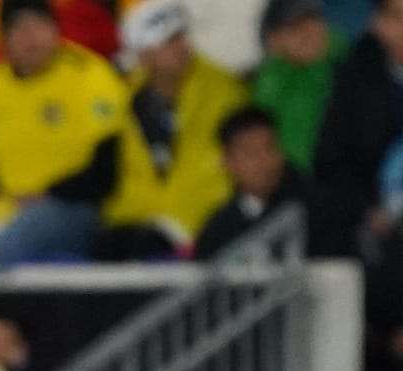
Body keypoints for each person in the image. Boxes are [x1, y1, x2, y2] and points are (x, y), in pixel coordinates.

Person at [0, 0, 129, 266]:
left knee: (7, 245)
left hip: (73, 205)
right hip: (5, 205)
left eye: (39, 25)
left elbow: (105, 170)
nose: (31, 37)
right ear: (3, 39)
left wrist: (49, 194)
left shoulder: (90, 74)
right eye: (19, 28)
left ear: (56, 30)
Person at [101, 0, 249, 260]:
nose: (182, 47)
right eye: (169, 41)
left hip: (202, 225)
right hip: (136, 225)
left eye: (182, 36)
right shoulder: (121, 100)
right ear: (143, 54)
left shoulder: (224, 93)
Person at [311, 0, 403, 257]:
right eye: (398, 17)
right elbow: (331, 162)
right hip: (377, 231)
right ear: (378, 24)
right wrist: (367, 210)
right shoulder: (355, 79)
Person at [195, 106, 314, 258]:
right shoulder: (216, 231)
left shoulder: (311, 207)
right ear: (228, 163)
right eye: (251, 153)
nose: (265, 161)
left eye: (270, 147)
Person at [252, 0, 345, 170]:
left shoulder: (351, 66)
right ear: (274, 40)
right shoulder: (270, 83)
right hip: (292, 184)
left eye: (313, 21)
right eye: (294, 28)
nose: (308, 32)